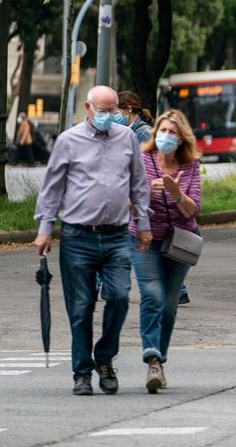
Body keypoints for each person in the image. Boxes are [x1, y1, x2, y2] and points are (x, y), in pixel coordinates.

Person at [33, 86, 151, 397]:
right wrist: (45, 229)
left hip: (115, 236)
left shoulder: (126, 139)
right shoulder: (68, 141)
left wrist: (144, 224)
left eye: (113, 110)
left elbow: (139, 184)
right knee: (81, 307)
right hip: (77, 236)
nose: (109, 115)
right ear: (87, 107)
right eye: (103, 109)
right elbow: (52, 187)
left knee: (119, 296)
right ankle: (82, 372)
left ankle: (105, 356)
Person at [131, 109, 201, 393]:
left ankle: (160, 357)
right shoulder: (142, 159)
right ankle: (152, 358)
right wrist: (149, 191)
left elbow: (192, 208)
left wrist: (175, 193)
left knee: (170, 303)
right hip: (144, 238)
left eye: (172, 132)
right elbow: (128, 199)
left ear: (182, 137)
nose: (166, 136)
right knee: (152, 295)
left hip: (179, 241)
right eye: (162, 130)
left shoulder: (190, 164)